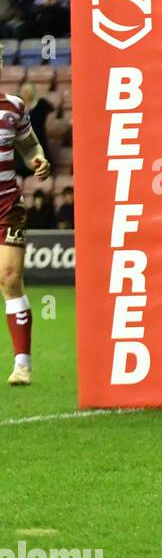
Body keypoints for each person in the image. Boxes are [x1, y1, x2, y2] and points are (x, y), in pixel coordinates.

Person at [0, 59, 52, 387]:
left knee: (9, 277)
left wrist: (39, 159)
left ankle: (22, 365)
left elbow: (29, 144)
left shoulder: (13, 107)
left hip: (7, 205)